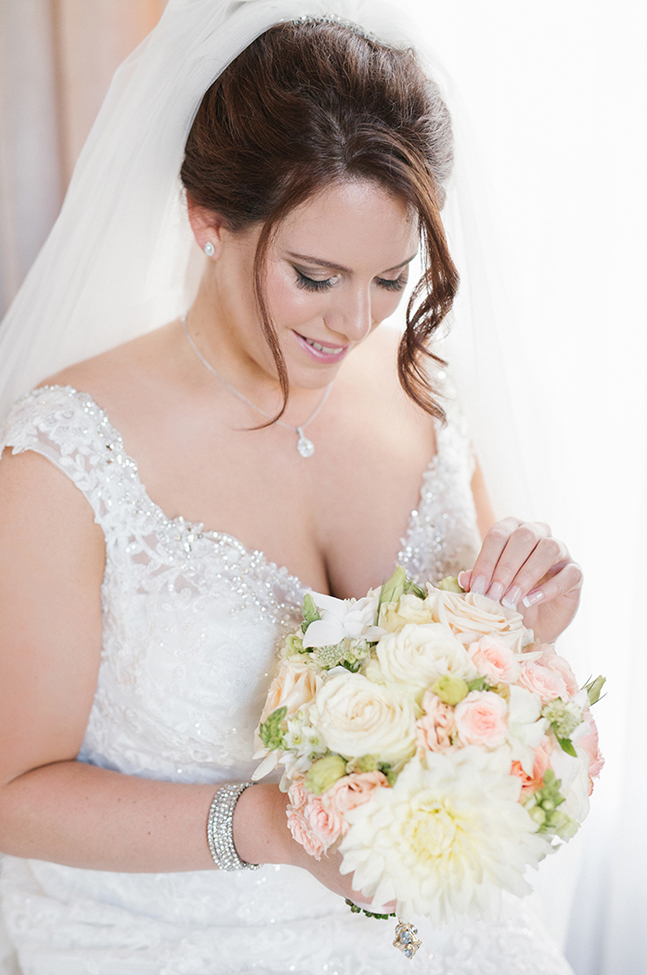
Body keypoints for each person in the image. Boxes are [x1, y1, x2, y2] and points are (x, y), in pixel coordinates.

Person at [0, 2, 583, 972]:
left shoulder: (423, 402)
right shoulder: (69, 460)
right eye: (314, 276)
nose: (354, 322)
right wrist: (262, 827)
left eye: (390, 280)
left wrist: (522, 629)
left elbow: (468, 690)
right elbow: (11, 792)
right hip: (169, 935)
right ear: (208, 221)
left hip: (428, 927)